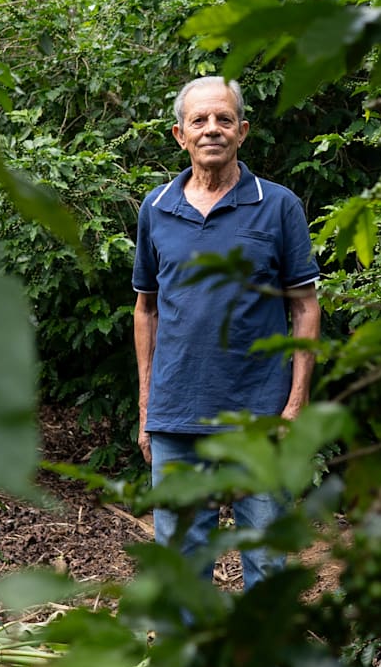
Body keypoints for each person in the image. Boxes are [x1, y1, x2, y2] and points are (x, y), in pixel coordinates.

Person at [132, 76, 321, 590]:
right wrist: (147, 407)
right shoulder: (156, 207)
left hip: (260, 415)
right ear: (180, 135)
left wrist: (295, 405)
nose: (211, 129)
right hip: (176, 415)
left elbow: (305, 306)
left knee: (267, 562)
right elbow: (146, 309)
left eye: (224, 119)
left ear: (243, 131)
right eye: (199, 120)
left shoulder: (278, 205)